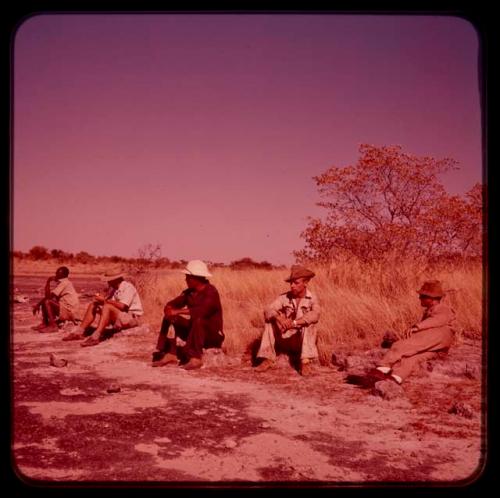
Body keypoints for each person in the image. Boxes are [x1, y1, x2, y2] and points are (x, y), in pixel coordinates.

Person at [367, 280, 456, 385]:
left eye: (423, 296)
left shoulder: (442, 308)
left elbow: (439, 319)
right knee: (411, 358)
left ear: (432, 299)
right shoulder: (430, 310)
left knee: (401, 346)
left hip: (440, 335)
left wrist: (417, 327)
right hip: (439, 347)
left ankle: (381, 369)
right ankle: (395, 378)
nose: (420, 298)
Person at [152, 260, 224, 370]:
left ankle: (196, 358)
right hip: (195, 332)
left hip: (212, 336)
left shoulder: (211, 291)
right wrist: (169, 308)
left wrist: (177, 311)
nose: (186, 279)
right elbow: (174, 303)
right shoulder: (189, 292)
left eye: (188, 277)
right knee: (170, 318)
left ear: (196, 278)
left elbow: (202, 311)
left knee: (199, 319)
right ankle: (170, 353)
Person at [254, 264, 321, 376]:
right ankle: (268, 359)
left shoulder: (312, 298)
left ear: (305, 283)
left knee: (310, 324)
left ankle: (305, 362)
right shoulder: (284, 297)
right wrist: (280, 319)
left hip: (301, 340)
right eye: (291, 283)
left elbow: (316, 315)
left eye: (296, 283)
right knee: (270, 321)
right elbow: (268, 309)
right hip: (285, 337)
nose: (292, 286)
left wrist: (295, 323)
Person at [62, 269, 143, 347]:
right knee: (93, 305)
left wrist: (104, 300)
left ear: (115, 280)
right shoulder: (115, 289)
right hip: (121, 316)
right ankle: (79, 332)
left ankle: (96, 336)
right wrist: (100, 300)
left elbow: (122, 306)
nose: (108, 282)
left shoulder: (127, 287)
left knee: (107, 306)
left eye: (109, 280)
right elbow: (111, 303)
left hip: (131, 318)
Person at [32, 266, 80, 333]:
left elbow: (49, 297)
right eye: (56, 273)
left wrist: (37, 305)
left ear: (64, 275)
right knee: (45, 301)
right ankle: (45, 323)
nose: (56, 275)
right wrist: (48, 282)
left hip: (69, 311)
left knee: (47, 302)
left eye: (58, 273)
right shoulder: (63, 283)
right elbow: (48, 296)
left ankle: (53, 326)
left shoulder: (64, 283)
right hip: (66, 308)